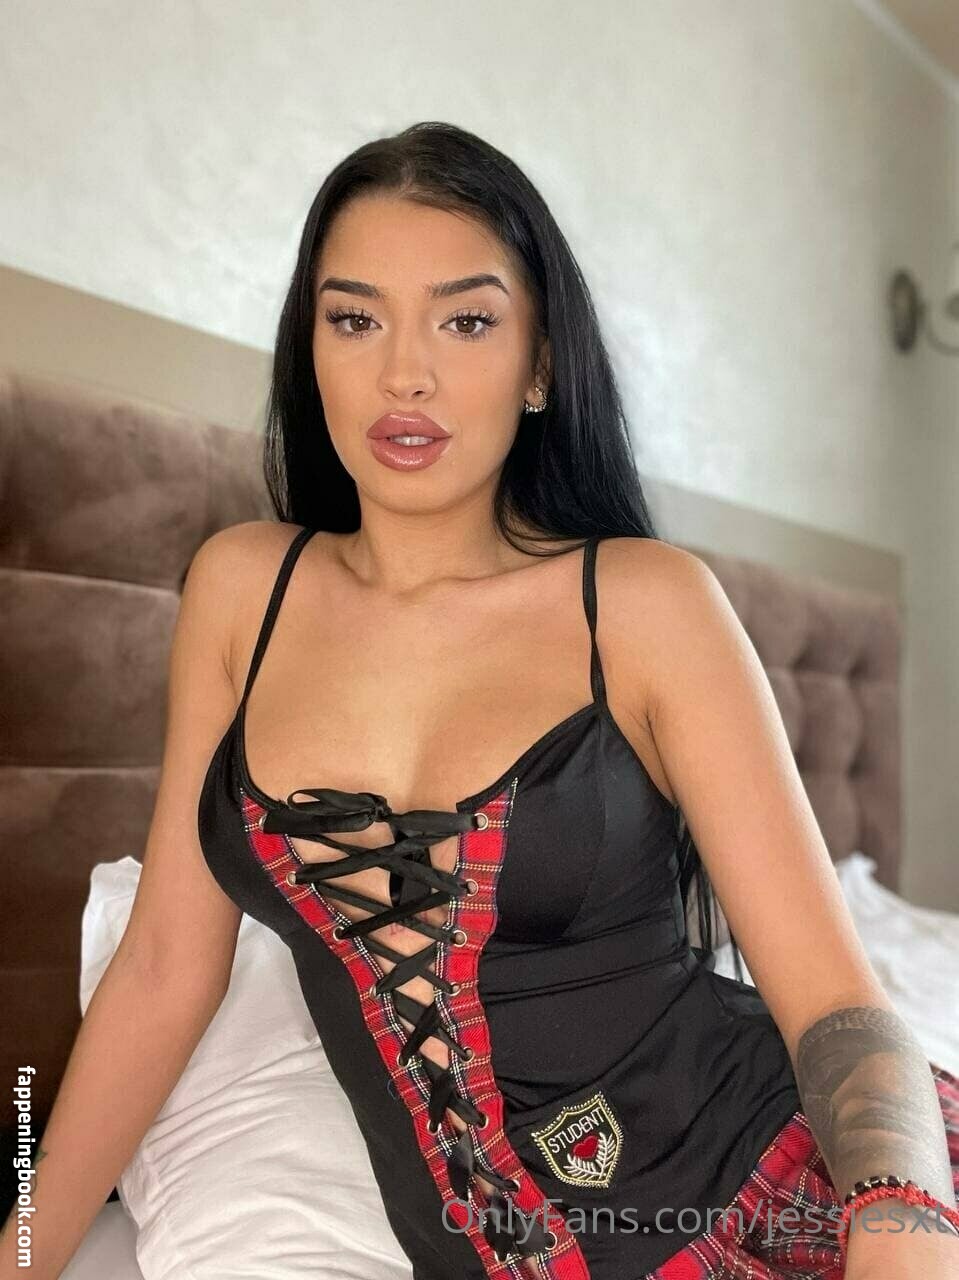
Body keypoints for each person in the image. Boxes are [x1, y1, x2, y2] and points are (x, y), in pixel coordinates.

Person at [3, 121, 957, 1280]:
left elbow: (838, 1005)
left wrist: (901, 1227)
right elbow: (163, 967)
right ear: (311, 349)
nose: (404, 372)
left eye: (464, 321)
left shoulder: (642, 603)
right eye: (354, 319)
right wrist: (23, 1246)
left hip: (792, 1191)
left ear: (539, 364)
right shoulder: (242, 591)